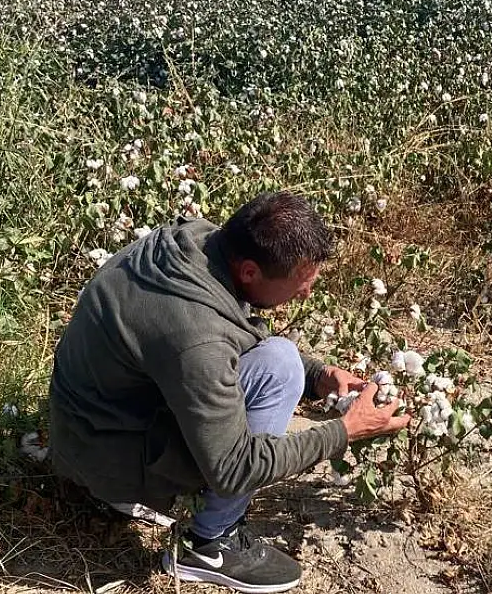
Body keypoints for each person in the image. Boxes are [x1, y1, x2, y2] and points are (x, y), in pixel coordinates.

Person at [48, 190, 410, 593]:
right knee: (279, 368)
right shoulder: (195, 338)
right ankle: (207, 545)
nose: (306, 293)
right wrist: (344, 431)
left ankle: (127, 493)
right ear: (251, 272)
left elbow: (229, 326)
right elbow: (235, 468)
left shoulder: (198, 240)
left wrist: (318, 374)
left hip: (87, 427)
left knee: (289, 363)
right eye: (299, 284)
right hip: (102, 458)